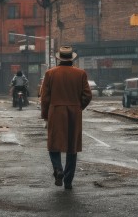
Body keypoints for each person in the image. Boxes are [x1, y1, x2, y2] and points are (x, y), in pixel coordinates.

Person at [40, 46, 92, 189]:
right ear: (72, 59)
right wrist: (78, 106)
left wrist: (45, 115)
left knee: (53, 145)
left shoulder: (50, 74)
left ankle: (58, 169)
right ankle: (68, 181)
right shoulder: (81, 73)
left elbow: (45, 98)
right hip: (74, 112)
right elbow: (87, 95)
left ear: (59, 59)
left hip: (55, 112)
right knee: (72, 147)